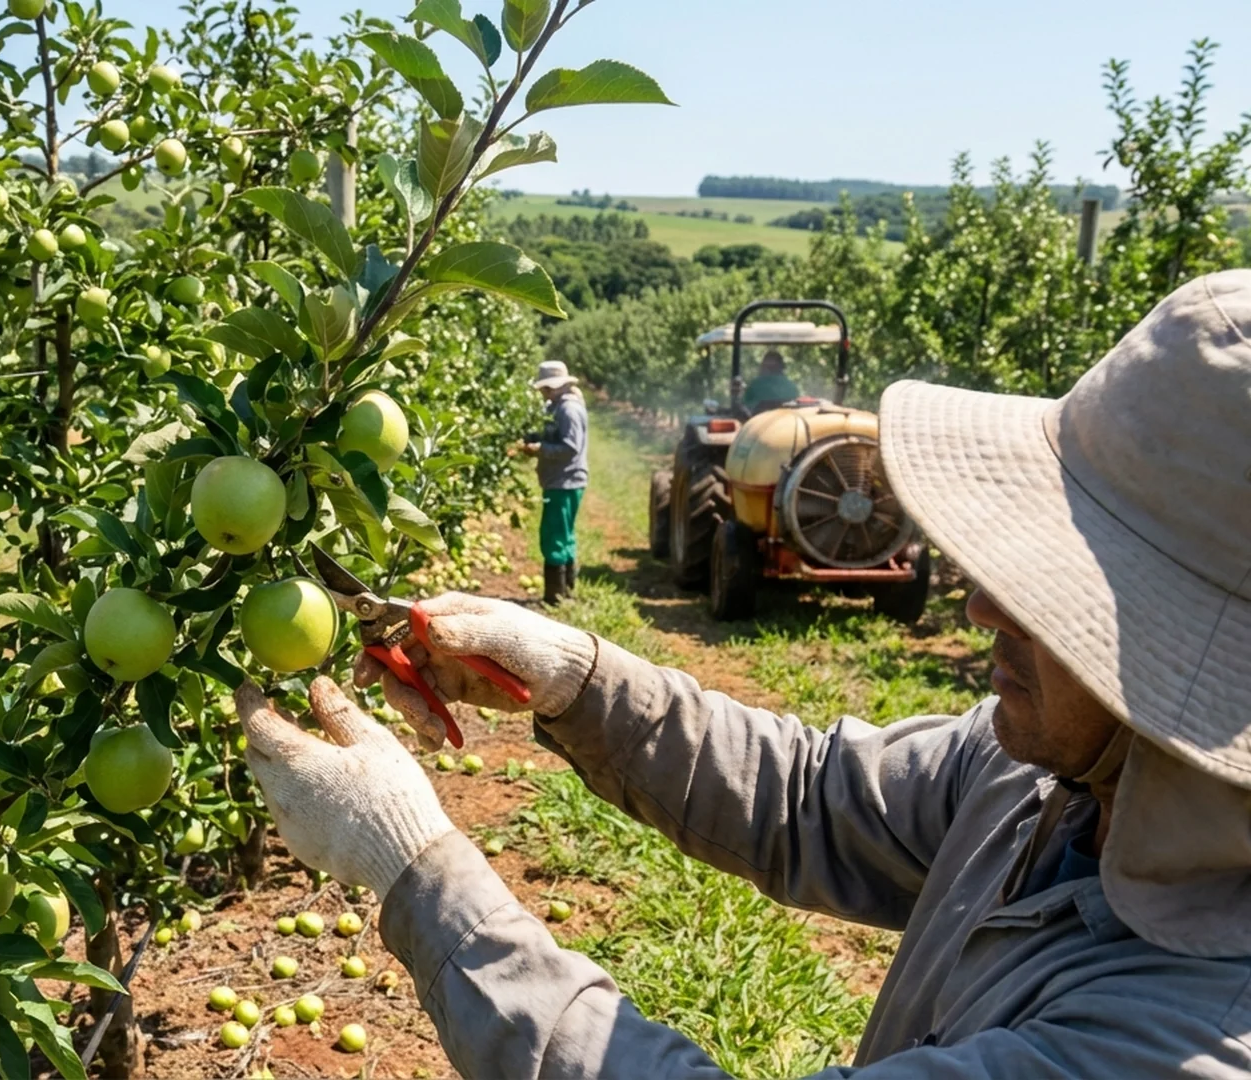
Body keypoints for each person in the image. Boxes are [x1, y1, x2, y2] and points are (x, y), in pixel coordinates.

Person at [238, 270, 1251, 1077]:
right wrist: (576, 679)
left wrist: (418, 868)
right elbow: (812, 793)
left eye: (1055, 586)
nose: (982, 604)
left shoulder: (1187, 1038)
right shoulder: (1054, 773)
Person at [522, 360, 589, 605]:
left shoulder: (568, 409)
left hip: (564, 481)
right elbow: (552, 435)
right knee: (564, 534)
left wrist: (540, 448)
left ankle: (555, 596)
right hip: (563, 481)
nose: (541, 393)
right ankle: (566, 590)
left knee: (553, 535)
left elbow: (571, 447)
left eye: (544, 388)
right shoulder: (557, 406)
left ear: (553, 387)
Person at [742, 348, 801, 412]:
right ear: (782, 368)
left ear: (763, 367)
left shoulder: (755, 386)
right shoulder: (792, 387)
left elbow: (744, 409)